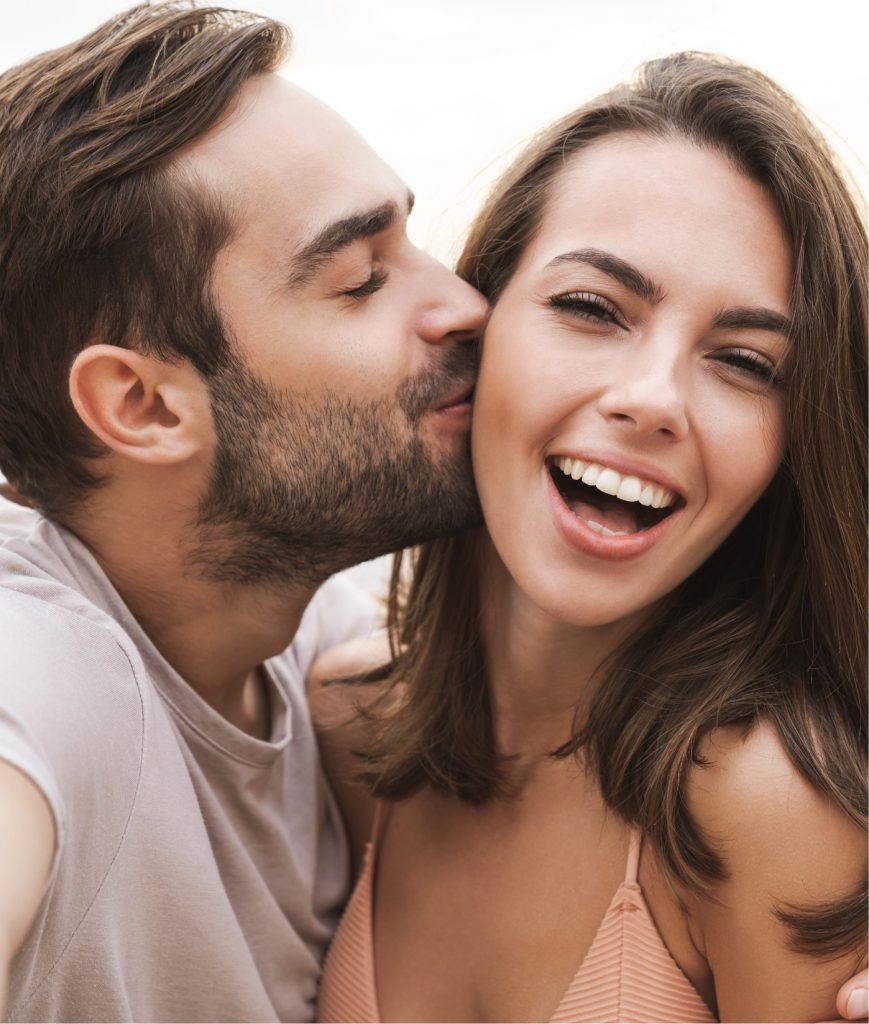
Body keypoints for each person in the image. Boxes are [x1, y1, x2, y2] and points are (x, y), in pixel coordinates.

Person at [314, 53, 868, 1023]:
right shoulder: (347, 730)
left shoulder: (763, 804)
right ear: (475, 324)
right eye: (589, 308)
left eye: (742, 361)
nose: (650, 399)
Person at [0, 3, 489, 1021]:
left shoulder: (300, 634)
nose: (463, 304)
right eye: (359, 281)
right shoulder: (44, 676)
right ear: (143, 404)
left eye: (413, 242)